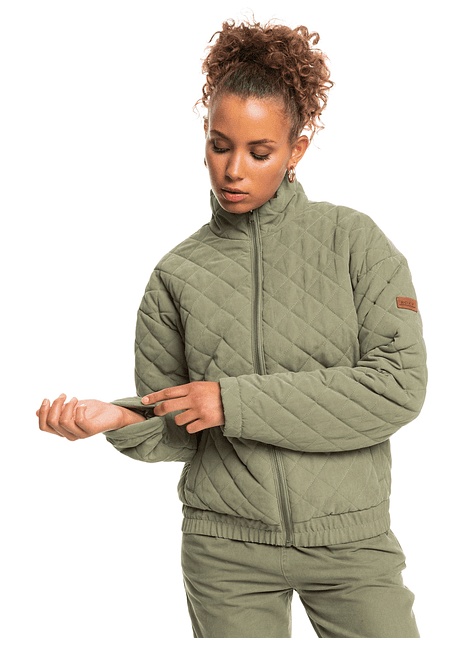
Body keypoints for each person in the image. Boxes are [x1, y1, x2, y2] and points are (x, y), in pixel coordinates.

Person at [37, 18, 427, 638]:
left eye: (259, 152)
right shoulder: (177, 273)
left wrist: (232, 401)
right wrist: (120, 418)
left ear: (296, 150)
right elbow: (182, 429)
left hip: (352, 544)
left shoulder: (356, 243)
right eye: (220, 146)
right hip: (225, 553)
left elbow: (397, 388)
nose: (233, 170)